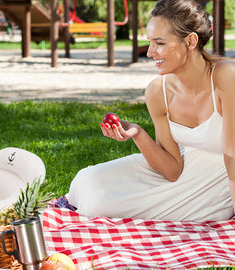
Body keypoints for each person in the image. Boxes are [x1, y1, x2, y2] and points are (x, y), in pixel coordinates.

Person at [66, 0, 235, 222]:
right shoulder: (158, 91)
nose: (150, 52)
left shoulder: (225, 75)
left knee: (96, 204)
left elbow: (232, 155)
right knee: (88, 184)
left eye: (160, 43)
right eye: (150, 42)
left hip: (219, 181)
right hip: (182, 173)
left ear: (191, 41)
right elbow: (172, 170)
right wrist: (137, 132)